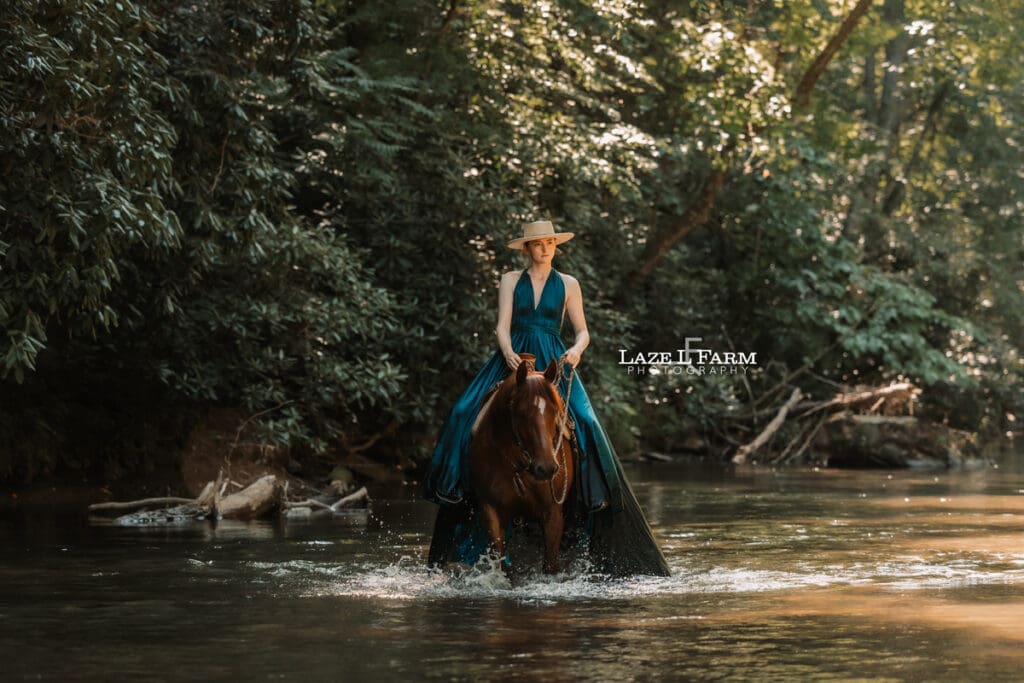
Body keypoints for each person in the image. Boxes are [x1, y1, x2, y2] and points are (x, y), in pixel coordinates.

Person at [422, 220, 671, 577]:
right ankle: (456, 490)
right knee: (464, 411)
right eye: (537, 244)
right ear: (526, 248)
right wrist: (508, 352)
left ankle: (592, 497)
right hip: (515, 357)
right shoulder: (510, 279)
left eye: (550, 242)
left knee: (586, 422)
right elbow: (502, 326)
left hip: (555, 358)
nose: (544, 248)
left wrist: (576, 350)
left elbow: (583, 331)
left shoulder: (569, 284)